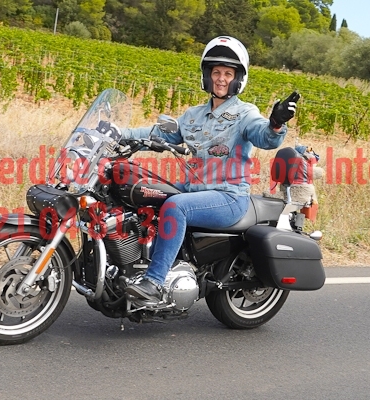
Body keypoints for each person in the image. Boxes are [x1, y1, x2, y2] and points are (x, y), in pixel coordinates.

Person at [122, 36, 300, 301]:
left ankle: (154, 283)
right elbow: (157, 133)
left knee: (176, 206)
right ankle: (133, 267)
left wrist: (276, 123)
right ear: (207, 75)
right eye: (216, 72)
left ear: (238, 79)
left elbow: (265, 137)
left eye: (228, 74)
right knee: (144, 190)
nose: (221, 79)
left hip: (228, 196)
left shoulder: (245, 113)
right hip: (193, 189)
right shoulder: (192, 115)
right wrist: (117, 133)